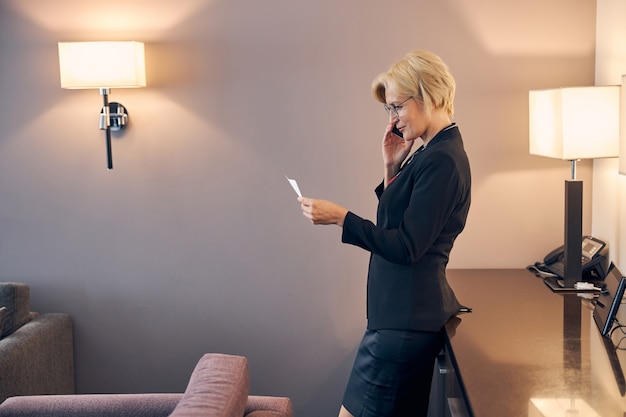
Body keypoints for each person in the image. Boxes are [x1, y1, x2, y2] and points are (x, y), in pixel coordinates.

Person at [297, 50, 471, 417]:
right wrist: (392, 167)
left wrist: (343, 218)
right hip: (395, 320)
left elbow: (407, 246)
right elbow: (398, 225)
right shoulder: (430, 152)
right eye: (388, 110)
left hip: (405, 325)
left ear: (429, 95)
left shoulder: (442, 158)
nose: (392, 119)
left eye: (397, 107)